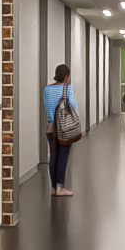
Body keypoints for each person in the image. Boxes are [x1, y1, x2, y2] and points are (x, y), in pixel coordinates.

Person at [41, 64, 79, 197]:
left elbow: (46, 107)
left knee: (53, 157)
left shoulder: (47, 89)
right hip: (64, 128)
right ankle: (60, 188)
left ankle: (53, 188)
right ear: (66, 76)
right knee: (62, 157)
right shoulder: (67, 88)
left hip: (51, 127)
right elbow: (73, 105)